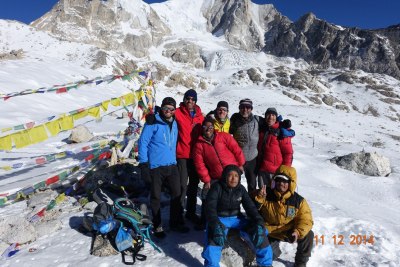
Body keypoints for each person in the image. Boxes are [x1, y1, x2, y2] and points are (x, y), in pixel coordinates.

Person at [202, 165, 273, 267]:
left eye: (236, 175)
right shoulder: (217, 187)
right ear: (225, 177)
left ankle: (266, 264)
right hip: (220, 219)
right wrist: (215, 224)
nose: (233, 178)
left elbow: (251, 208)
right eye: (230, 175)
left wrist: (259, 223)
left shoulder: (241, 189)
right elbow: (210, 208)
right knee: (214, 238)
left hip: (237, 219)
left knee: (260, 233)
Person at [138, 97, 189, 238]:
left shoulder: (175, 123)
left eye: (171, 109)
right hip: (155, 166)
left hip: (171, 164)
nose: (168, 111)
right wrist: (143, 164)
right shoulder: (152, 122)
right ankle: (157, 224)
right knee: (155, 196)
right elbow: (143, 143)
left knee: (177, 193)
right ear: (161, 109)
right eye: (166, 108)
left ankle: (175, 221)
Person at [255, 165, 314, 267]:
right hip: (269, 232)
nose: (281, 184)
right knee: (270, 256)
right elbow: (251, 209)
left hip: (288, 231)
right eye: (278, 180)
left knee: (308, 235)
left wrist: (297, 231)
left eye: (285, 181)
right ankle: (275, 251)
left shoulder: (298, 201)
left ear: (291, 183)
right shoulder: (264, 193)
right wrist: (259, 198)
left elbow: (305, 219)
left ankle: (300, 263)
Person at [192, 118, 245, 229]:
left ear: (213, 128)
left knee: (234, 196)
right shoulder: (199, 145)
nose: (208, 129)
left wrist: (240, 164)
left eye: (210, 127)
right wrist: (206, 180)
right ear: (202, 129)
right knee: (208, 196)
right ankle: (205, 219)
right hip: (216, 175)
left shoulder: (223, 136)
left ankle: (236, 216)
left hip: (232, 172)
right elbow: (199, 164)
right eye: (205, 127)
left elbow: (236, 149)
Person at [175, 89, 204, 224]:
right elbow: (165, 115)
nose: (190, 101)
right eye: (188, 98)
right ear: (184, 99)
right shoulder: (178, 112)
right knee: (181, 185)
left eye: (193, 99)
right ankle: (178, 214)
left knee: (193, 185)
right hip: (182, 155)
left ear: (195, 101)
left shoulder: (200, 116)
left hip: (196, 156)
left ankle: (191, 213)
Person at [229, 98, 261, 195]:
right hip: (238, 158)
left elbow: (271, 123)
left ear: (251, 109)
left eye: (248, 107)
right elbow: (224, 125)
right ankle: (233, 206)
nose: (245, 109)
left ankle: (252, 206)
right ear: (239, 108)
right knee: (233, 183)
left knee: (252, 184)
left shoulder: (257, 120)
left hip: (252, 158)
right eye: (242, 107)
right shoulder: (234, 121)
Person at [257, 107, 295, 189]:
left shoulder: (281, 132)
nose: (270, 117)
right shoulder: (262, 130)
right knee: (263, 194)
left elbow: (288, 153)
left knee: (275, 195)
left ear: (276, 117)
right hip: (262, 170)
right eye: (268, 115)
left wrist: (284, 171)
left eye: (273, 115)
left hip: (276, 172)